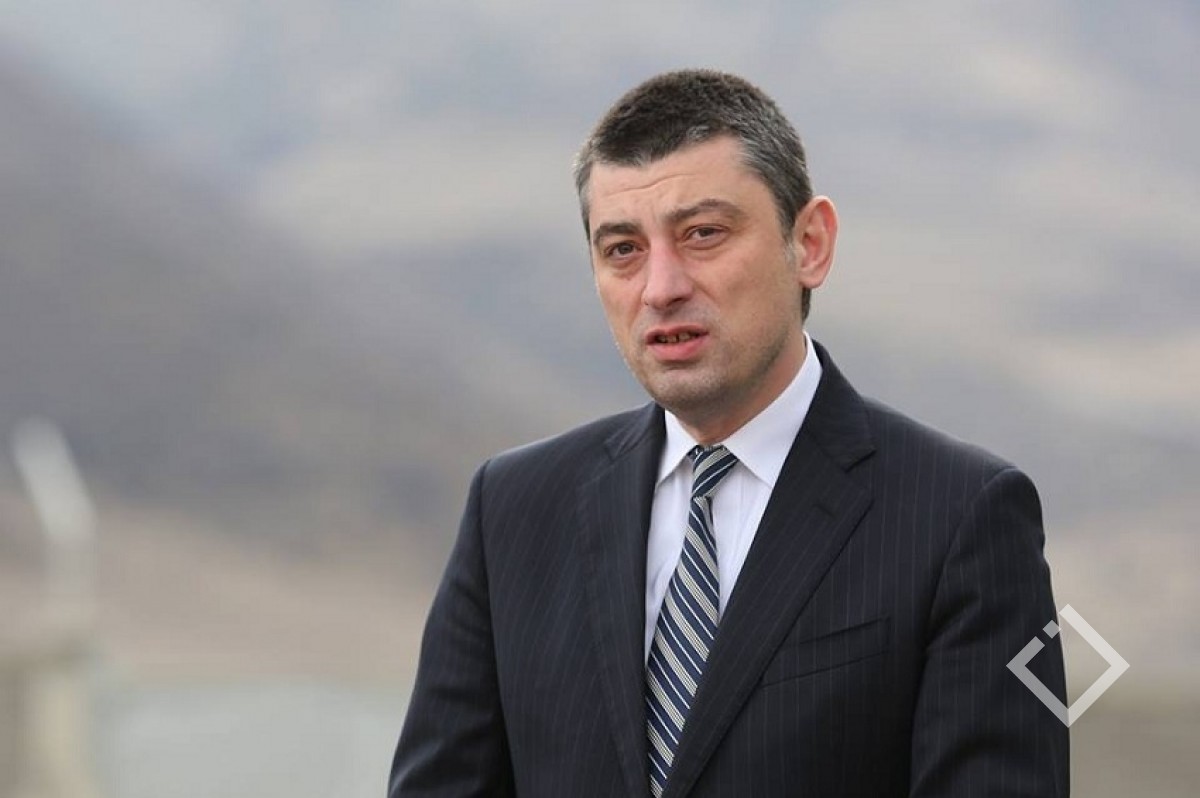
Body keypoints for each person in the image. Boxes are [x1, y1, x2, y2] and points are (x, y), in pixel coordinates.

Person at [388, 69, 1068, 797]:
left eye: (703, 234)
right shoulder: (512, 510)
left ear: (809, 244)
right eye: (623, 249)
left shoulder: (963, 516)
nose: (661, 287)